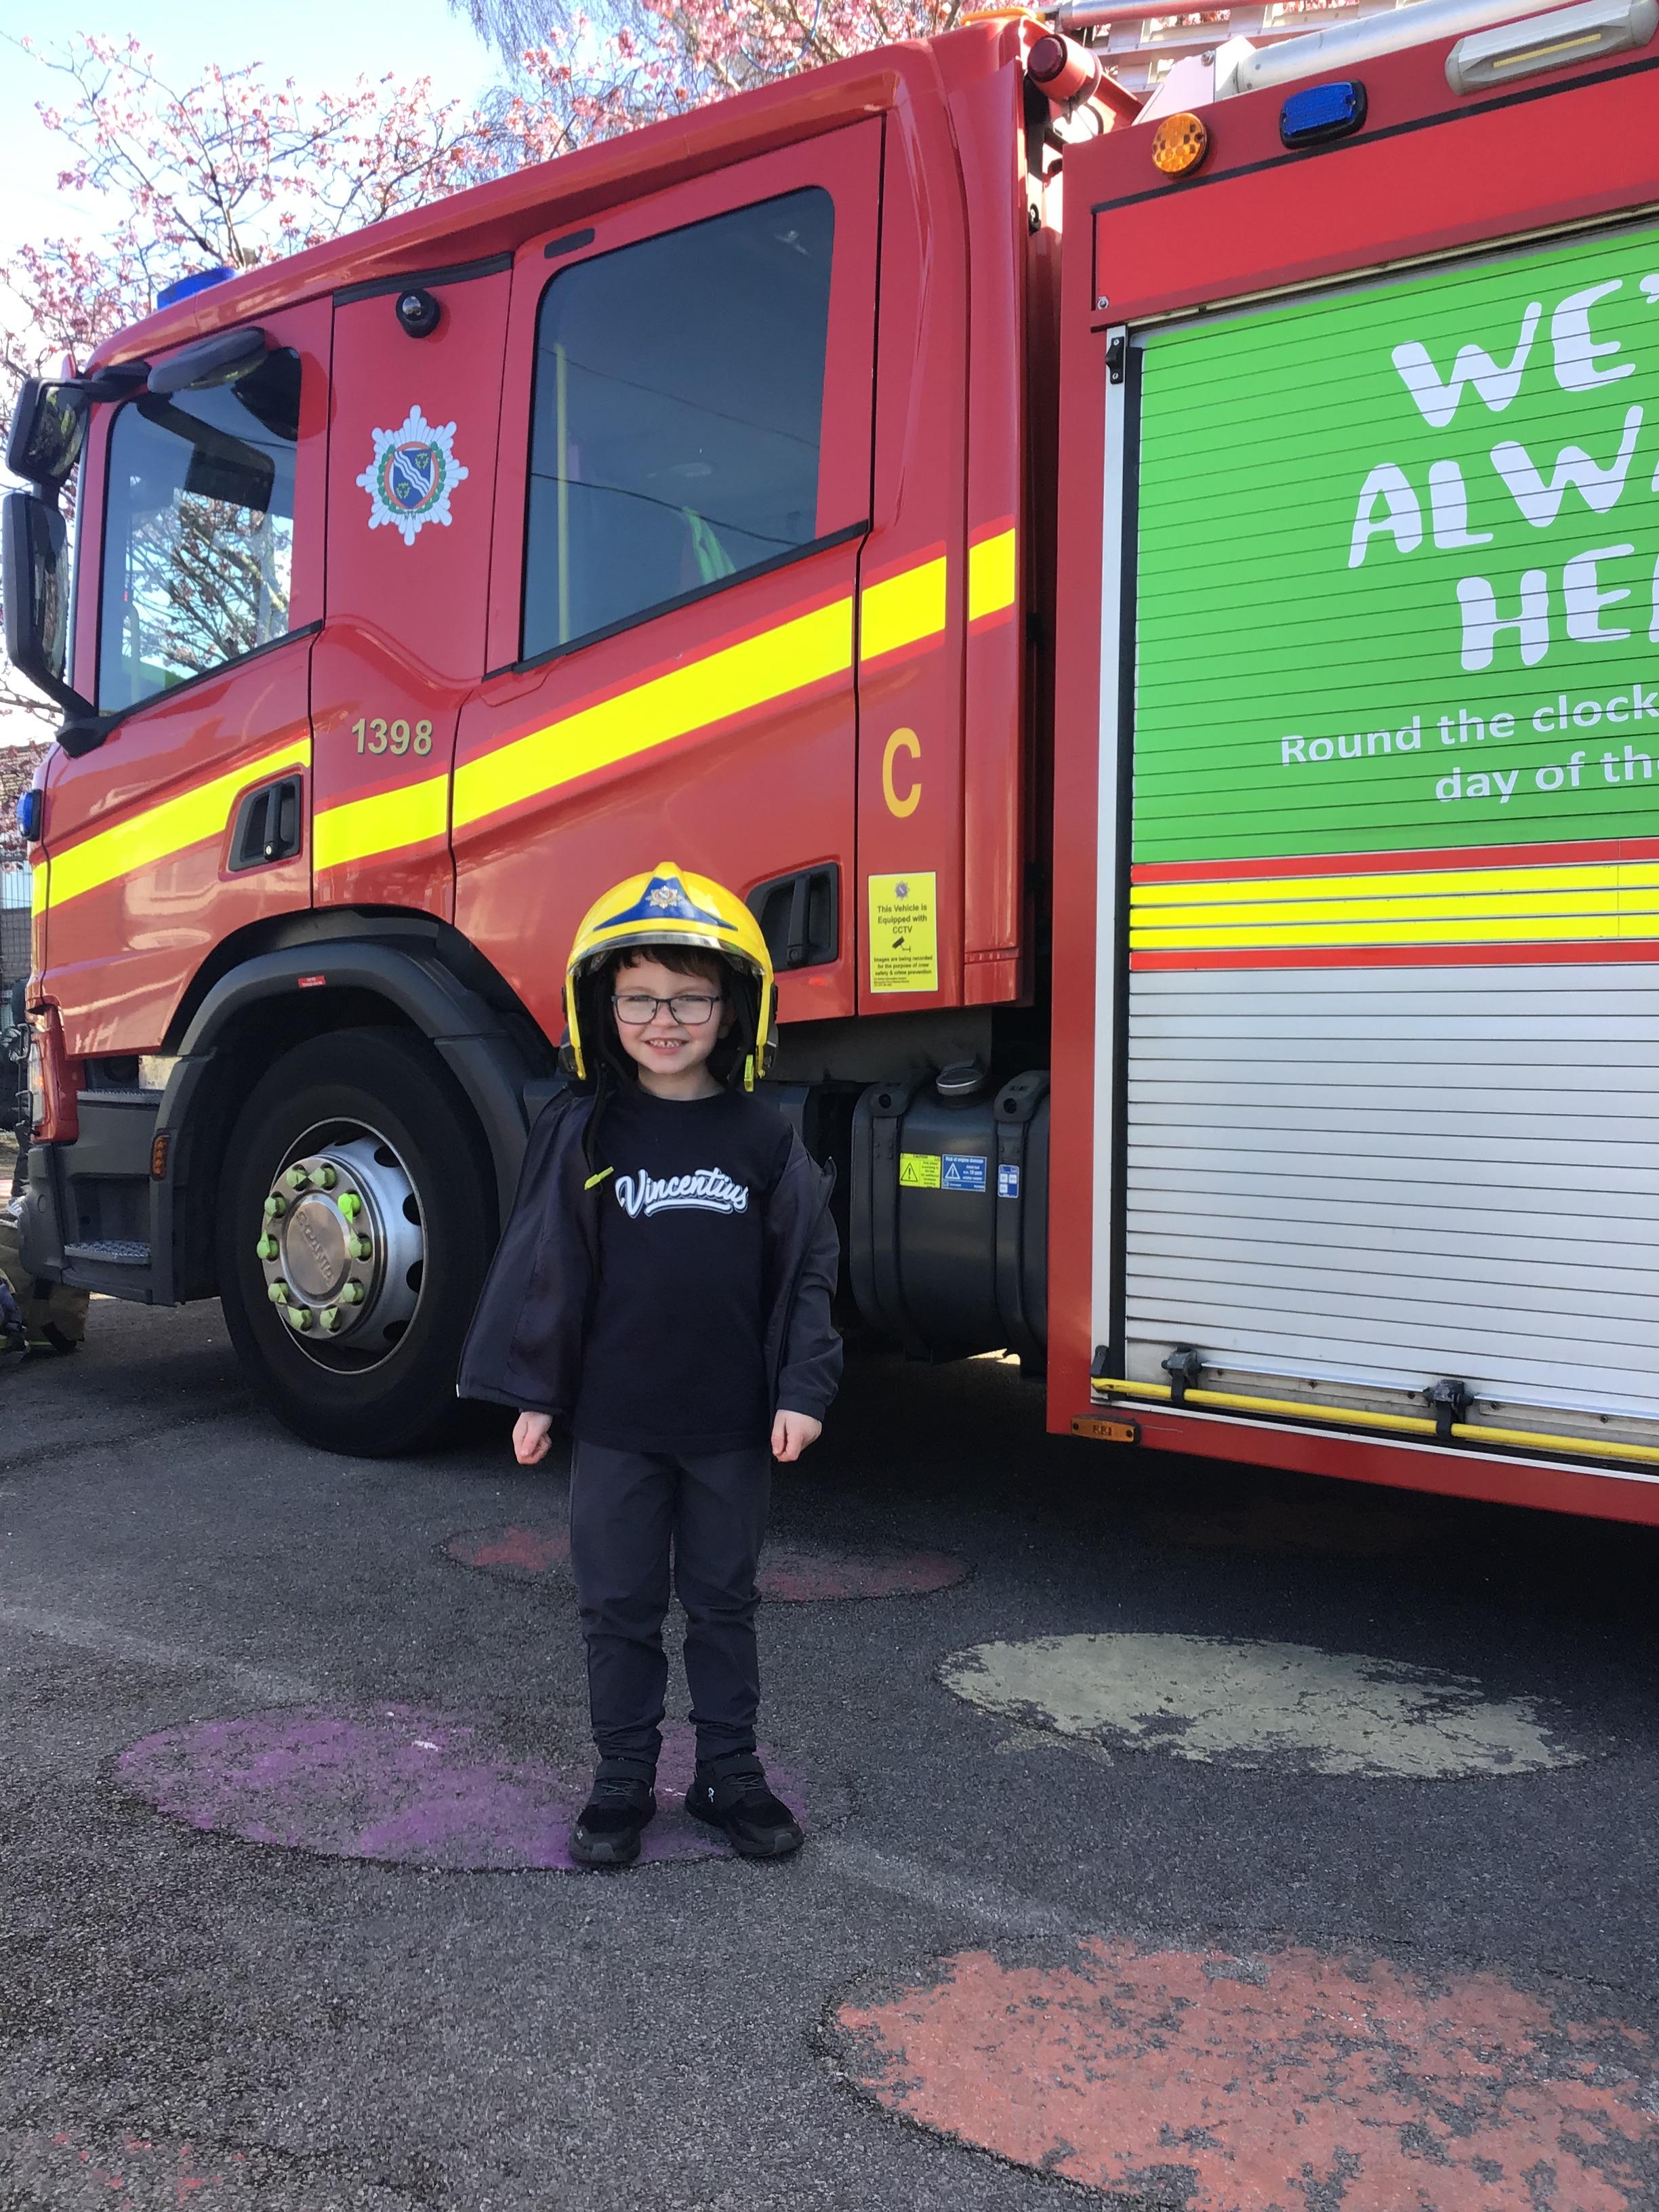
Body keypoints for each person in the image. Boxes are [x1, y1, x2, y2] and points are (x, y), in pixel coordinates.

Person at [458, 863, 841, 1869]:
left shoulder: (766, 1138)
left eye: (688, 999)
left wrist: (803, 1388)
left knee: (723, 1603)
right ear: (604, 1009)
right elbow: (552, 1268)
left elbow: (807, 1272)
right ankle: (623, 1778)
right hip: (617, 1426)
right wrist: (538, 1394)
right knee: (618, 1607)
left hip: (730, 1427)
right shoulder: (589, 1130)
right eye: (639, 999)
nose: (663, 1021)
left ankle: (729, 1776)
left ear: (734, 1009)